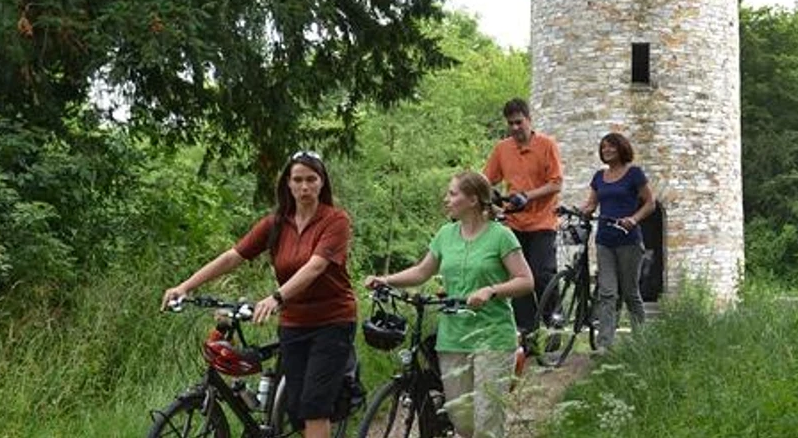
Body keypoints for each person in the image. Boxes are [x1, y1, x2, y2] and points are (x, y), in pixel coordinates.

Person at [161, 150, 356, 438]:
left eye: (311, 180)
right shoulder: (276, 223)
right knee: (295, 409)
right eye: (298, 180)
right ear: (287, 184)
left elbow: (315, 267)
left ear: (322, 182)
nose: (304, 187)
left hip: (332, 322)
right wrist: (186, 286)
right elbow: (233, 256)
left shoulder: (335, 220)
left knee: (314, 406)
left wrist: (276, 298)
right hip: (294, 322)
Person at [364, 171, 533, 438]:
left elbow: (526, 281)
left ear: (474, 200)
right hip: (453, 338)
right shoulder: (445, 235)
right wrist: (385, 280)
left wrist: (491, 290)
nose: (446, 199)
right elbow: (422, 272)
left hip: (493, 337)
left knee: (487, 422)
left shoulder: (501, 236)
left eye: (453, 194)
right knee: (462, 422)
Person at [482, 98, 563, 335]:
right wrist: (491, 196)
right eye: (510, 124)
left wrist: (527, 196)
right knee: (518, 278)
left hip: (542, 222)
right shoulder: (502, 149)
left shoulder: (547, 145)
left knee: (541, 273)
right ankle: (526, 330)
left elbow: (556, 184)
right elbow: (487, 178)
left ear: (529, 119)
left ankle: (553, 321)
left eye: (519, 122)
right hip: (514, 222)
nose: (515, 128)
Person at [578, 132, 656, 349]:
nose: (607, 150)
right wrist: (581, 211)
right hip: (604, 240)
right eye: (603, 147)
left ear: (621, 148)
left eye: (611, 146)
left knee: (630, 293)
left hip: (628, 240)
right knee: (607, 293)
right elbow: (592, 204)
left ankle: (641, 342)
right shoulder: (599, 177)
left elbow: (650, 203)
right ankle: (605, 346)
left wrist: (633, 219)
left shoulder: (634, 174)